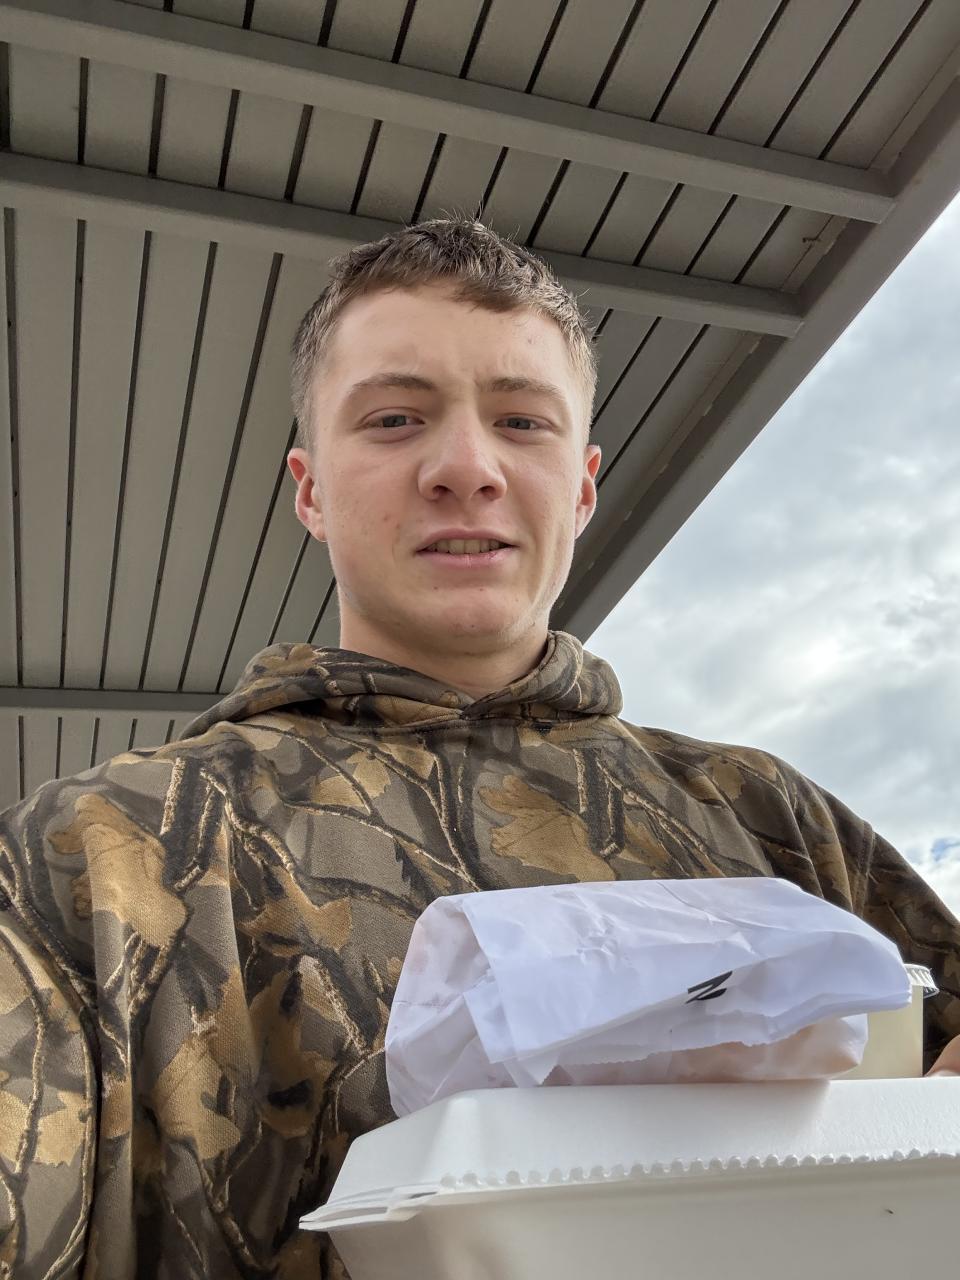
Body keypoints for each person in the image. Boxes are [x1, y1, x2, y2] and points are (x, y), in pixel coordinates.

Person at [1, 218, 957, 1279]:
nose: (466, 467)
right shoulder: (102, 851)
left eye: (522, 422)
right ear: (310, 489)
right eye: (395, 419)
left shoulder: (774, 817)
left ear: (583, 486)